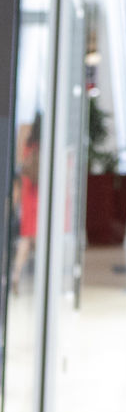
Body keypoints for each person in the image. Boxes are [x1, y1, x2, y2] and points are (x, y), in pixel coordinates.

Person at [11, 113, 41, 295]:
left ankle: (16, 273)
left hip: (27, 193)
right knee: (37, 238)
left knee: (25, 237)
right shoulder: (45, 144)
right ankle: (43, 278)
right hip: (39, 194)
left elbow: (20, 167)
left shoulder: (27, 141)